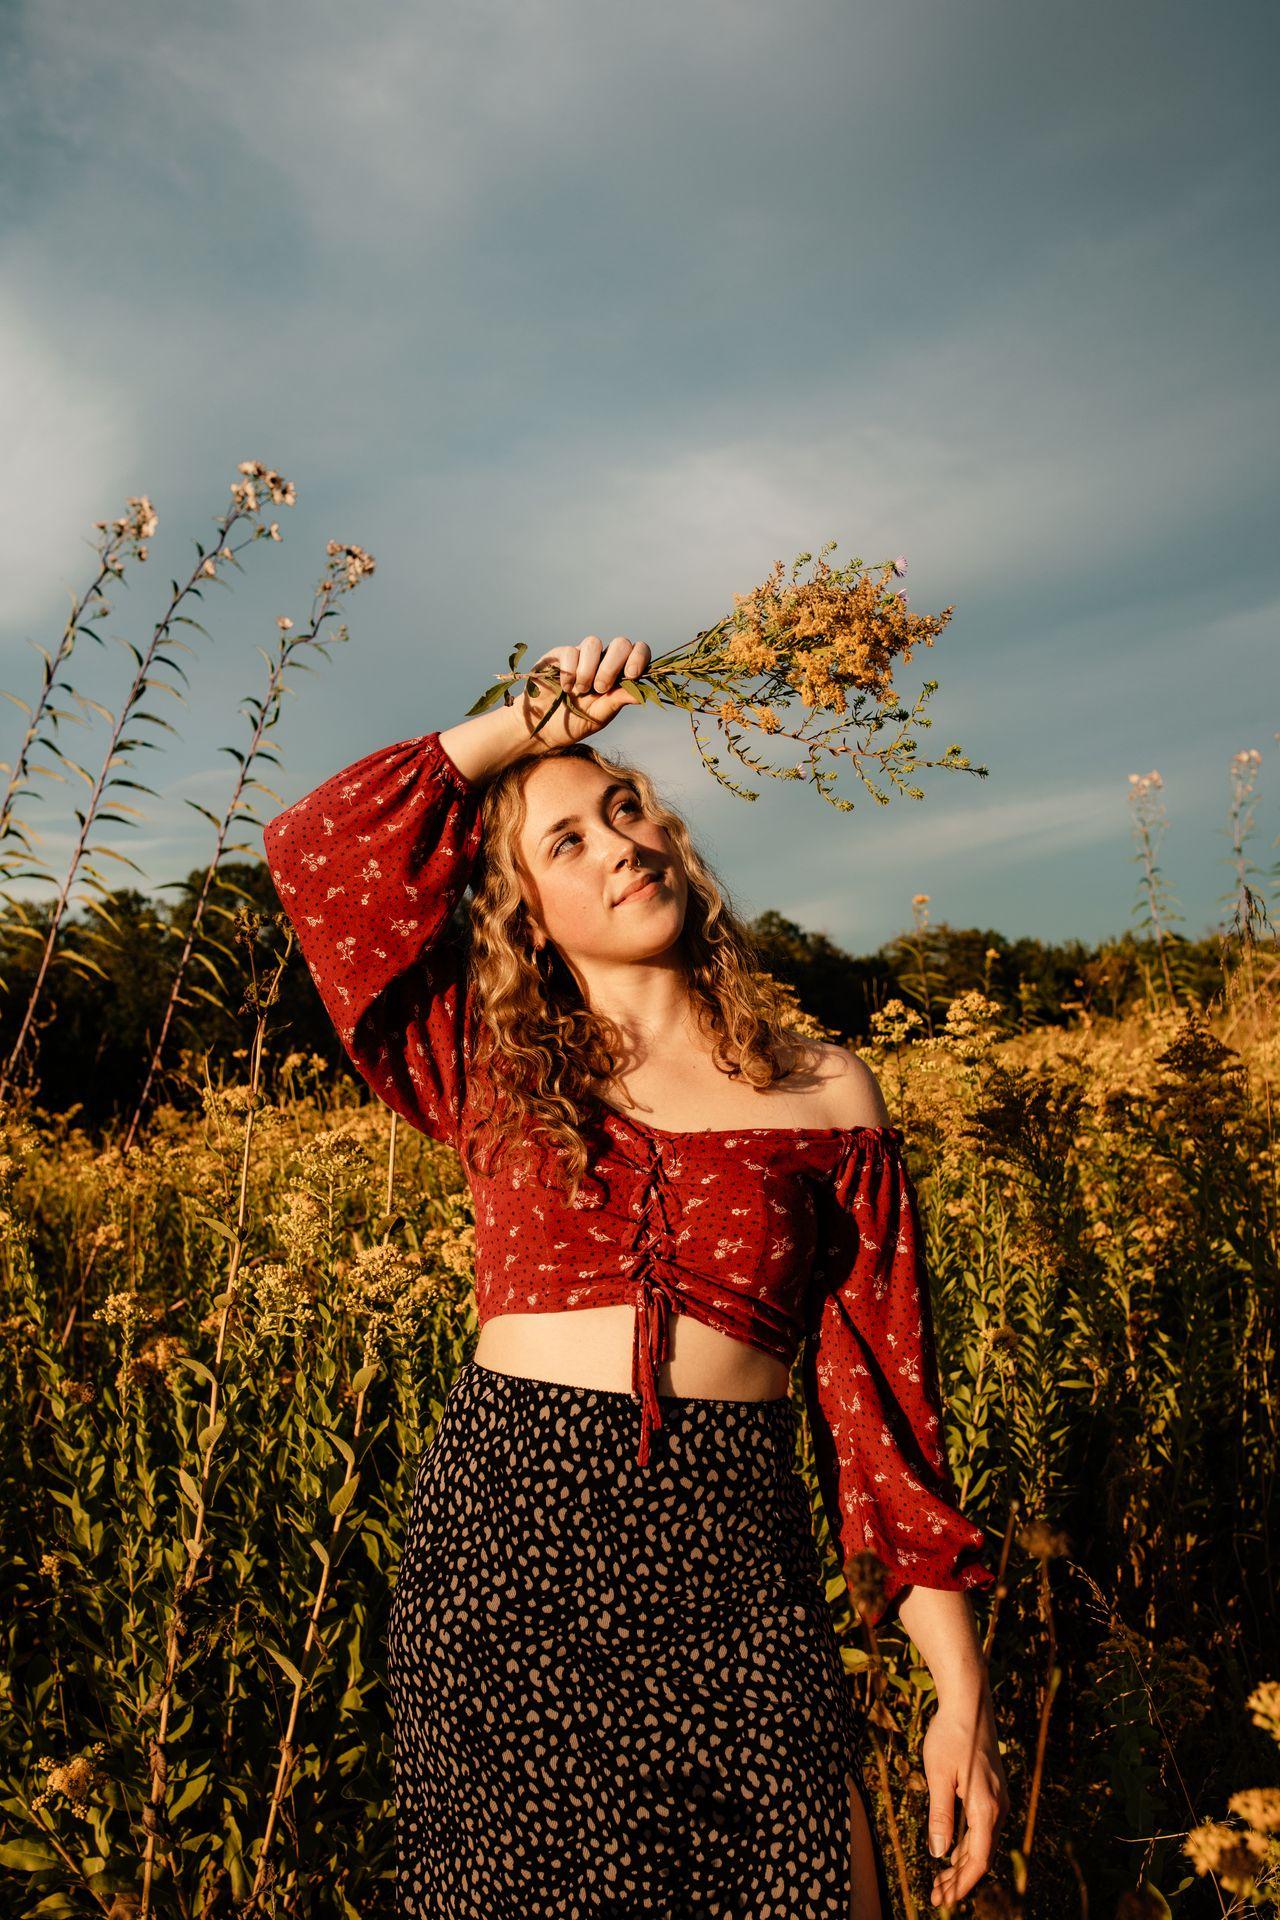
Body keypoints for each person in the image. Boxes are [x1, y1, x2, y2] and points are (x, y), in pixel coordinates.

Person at [262, 634, 1010, 1920]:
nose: (620, 845)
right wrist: (524, 721)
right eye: (565, 844)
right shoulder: (480, 1061)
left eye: (626, 809)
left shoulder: (826, 1092)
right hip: (506, 1548)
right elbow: (316, 852)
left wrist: (960, 1697)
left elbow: (880, 1413)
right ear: (521, 913)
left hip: (734, 1559)